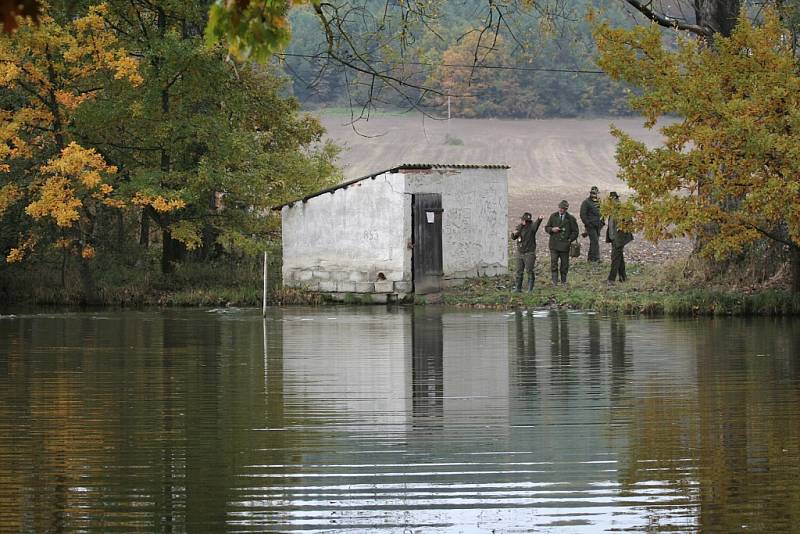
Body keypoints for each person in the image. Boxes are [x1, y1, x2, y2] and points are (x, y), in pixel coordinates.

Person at [545, 200, 579, 286]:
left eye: (563, 208)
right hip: (554, 245)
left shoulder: (571, 218)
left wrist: (569, 240)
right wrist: (552, 229)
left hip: (565, 246)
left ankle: (564, 281)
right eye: (560, 208)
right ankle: (554, 281)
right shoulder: (553, 216)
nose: (561, 210)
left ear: (566, 209)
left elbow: (575, 232)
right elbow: (547, 227)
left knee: (564, 265)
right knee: (554, 263)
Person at [510, 211, 543, 292]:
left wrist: (539, 219)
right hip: (520, 252)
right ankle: (518, 288)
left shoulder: (532, 227)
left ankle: (530, 289)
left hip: (529, 253)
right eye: (522, 219)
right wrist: (513, 234)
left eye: (523, 220)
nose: (522, 221)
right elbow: (513, 237)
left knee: (529, 270)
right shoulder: (519, 227)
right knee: (519, 271)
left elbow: (536, 225)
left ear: (527, 221)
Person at [605, 191, 634, 283]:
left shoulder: (622, 210)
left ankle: (611, 279)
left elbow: (629, 223)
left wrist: (621, 230)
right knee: (619, 258)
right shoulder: (612, 209)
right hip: (614, 238)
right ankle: (623, 278)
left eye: (611, 199)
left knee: (615, 258)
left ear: (615, 199)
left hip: (619, 239)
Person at [580, 186, 604, 262]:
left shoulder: (599, 202)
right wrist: (587, 224)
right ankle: (597, 259)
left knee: (594, 242)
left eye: (595, 193)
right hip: (590, 226)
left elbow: (603, 212)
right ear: (590, 193)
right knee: (595, 242)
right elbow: (582, 214)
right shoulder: (586, 202)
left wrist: (602, 222)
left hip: (598, 226)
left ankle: (590, 259)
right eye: (592, 193)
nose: (594, 194)